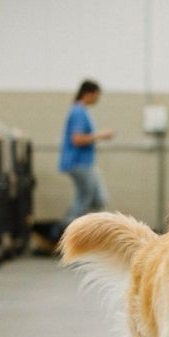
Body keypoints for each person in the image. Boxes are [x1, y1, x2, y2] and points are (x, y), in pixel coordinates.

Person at [54, 79, 114, 239]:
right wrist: (100, 135)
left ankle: (85, 232)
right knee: (83, 199)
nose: (97, 99)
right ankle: (64, 231)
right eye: (97, 96)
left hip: (84, 163)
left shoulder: (80, 111)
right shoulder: (78, 112)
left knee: (98, 198)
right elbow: (77, 139)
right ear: (89, 94)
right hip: (79, 163)